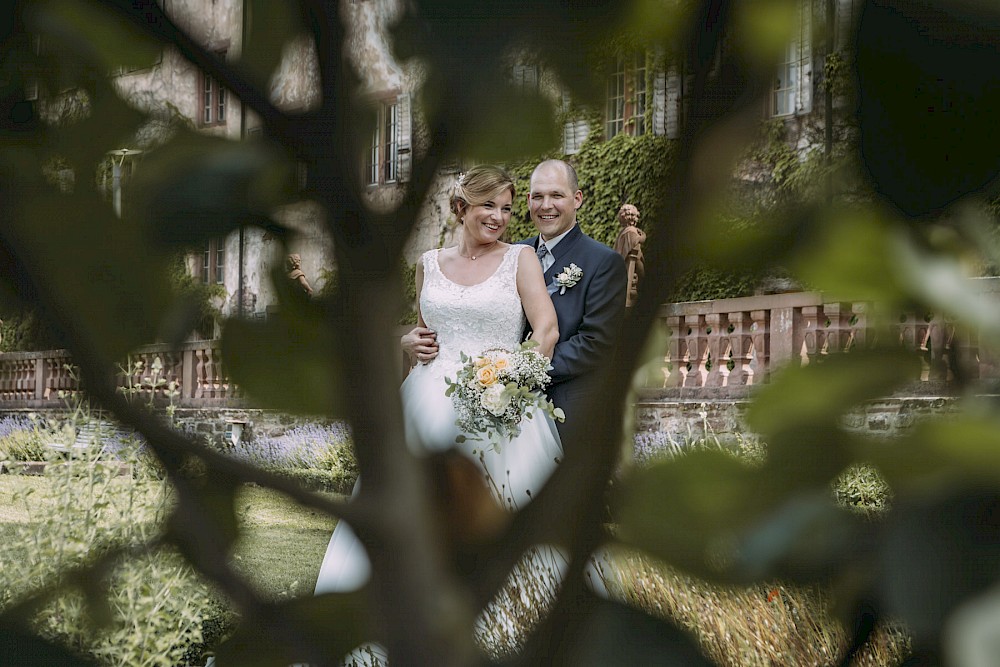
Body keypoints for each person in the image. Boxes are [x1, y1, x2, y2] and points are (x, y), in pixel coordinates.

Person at [314, 165, 568, 661]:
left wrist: (511, 383)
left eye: (506, 208)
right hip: (427, 400)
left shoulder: (521, 260)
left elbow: (546, 332)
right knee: (414, 509)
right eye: (488, 206)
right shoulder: (428, 263)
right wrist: (408, 340)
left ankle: (513, 631)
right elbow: (425, 333)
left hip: (502, 406)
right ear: (461, 208)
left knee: (502, 515)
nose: (499, 217)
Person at [404, 160, 627, 452]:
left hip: (556, 406)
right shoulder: (514, 252)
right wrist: (410, 341)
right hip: (438, 396)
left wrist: (507, 376)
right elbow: (432, 327)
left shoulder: (601, 262)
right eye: (538, 196)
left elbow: (596, 342)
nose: (546, 205)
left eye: (556, 195)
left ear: (577, 199)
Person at [613, 203, 645, 307]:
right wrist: (643, 236)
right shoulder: (632, 231)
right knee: (643, 275)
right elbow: (636, 241)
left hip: (626, 260)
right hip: (634, 260)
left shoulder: (622, 233)